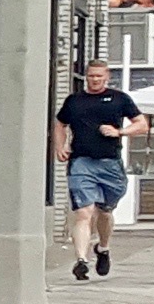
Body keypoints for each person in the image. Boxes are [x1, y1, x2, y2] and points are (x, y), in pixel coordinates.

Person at [60, 62, 144, 279]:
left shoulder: (119, 99)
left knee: (105, 211)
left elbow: (142, 124)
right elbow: (60, 123)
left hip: (109, 163)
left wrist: (119, 132)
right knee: (83, 212)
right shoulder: (74, 101)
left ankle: (103, 248)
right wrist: (59, 146)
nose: (94, 80)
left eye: (98, 76)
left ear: (106, 76)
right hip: (81, 161)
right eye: (90, 76)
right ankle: (81, 260)